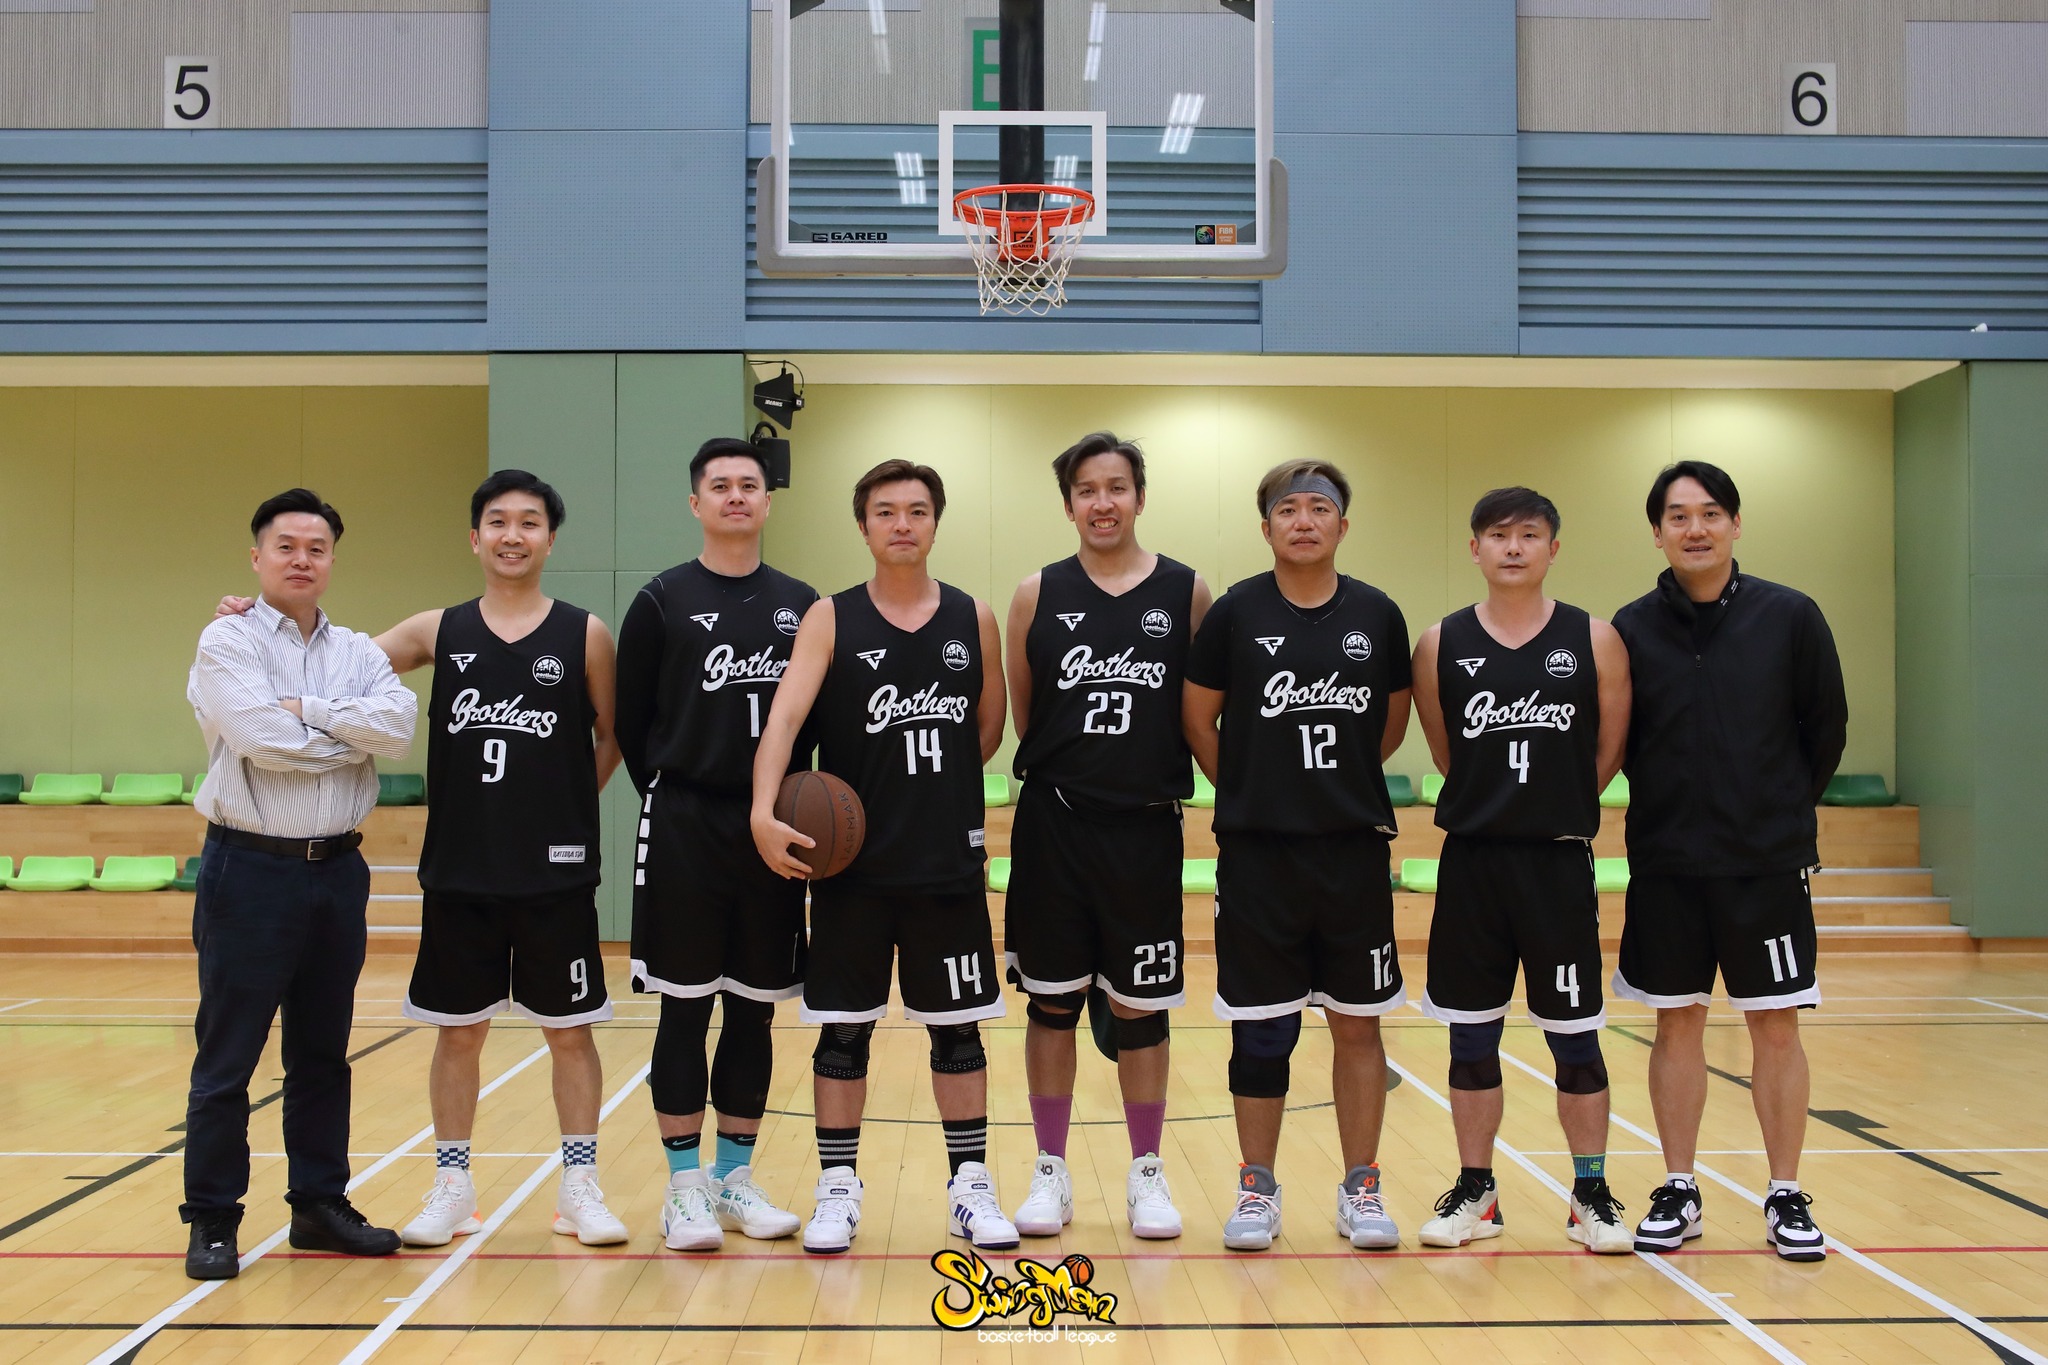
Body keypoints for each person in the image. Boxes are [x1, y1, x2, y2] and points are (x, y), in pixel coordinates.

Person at [225, 473, 627, 1249]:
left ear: (550, 539)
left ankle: (580, 1186)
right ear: (475, 538)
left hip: (556, 871)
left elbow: (610, 734)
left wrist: (569, 801)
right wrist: (258, 618)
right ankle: (453, 1186)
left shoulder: (586, 634)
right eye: (498, 521)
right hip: (461, 868)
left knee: (571, 1032)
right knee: (458, 1032)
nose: (513, 535)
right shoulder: (436, 630)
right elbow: (329, 665)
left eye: (530, 522)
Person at [749, 459, 1015, 1255]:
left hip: (946, 865)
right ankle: (837, 1186)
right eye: (886, 511)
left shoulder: (974, 616)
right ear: (863, 525)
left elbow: (986, 731)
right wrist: (763, 810)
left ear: (936, 521)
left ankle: (970, 1184)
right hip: (852, 873)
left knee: (958, 1032)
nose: (903, 523)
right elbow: (783, 721)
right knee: (842, 1034)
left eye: (918, 510)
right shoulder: (829, 617)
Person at [1610, 460, 1846, 1262]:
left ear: (1736, 524)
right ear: (1657, 532)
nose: (1696, 528)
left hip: (1764, 865)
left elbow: (1826, 726)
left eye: (1711, 513)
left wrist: (1774, 810)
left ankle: (1785, 1193)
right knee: (1676, 1020)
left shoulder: (1791, 616)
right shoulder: (1631, 627)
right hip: (1668, 863)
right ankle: (1679, 1185)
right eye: (1679, 516)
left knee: (1775, 1025)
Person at [182, 489, 418, 1280]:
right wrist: (345, 738)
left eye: (315, 547)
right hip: (248, 869)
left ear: (332, 560)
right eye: (285, 545)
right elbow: (261, 739)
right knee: (229, 1056)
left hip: (338, 872)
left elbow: (398, 726)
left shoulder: (357, 649)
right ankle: (213, 1217)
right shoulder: (228, 638)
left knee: (323, 1054)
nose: (301, 558)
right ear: (258, 556)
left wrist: (308, 710)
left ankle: (319, 1204)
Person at [1182, 459, 1414, 1253]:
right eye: (1289, 509)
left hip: (1351, 852)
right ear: (1267, 526)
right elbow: (1198, 718)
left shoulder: (1378, 614)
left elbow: (1389, 724)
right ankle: (1257, 1188)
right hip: (1259, 857)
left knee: (1358, 1027)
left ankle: (1361, 1186)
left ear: (1343, 525)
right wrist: (1254, 787)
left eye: (1320, 508)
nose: (1304, 520)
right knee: (1261, 1032)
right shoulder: (1235, 612)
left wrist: (1334, 786)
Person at [1411, 487, 1633, 1255]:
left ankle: (1590, 1192)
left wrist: (1551, 805)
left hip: (1558, 864)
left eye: (1529, 534)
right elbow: (1446, 752)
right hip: (1474, 865)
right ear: (1474, 548)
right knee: (1471, 1039)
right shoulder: (1439, 642)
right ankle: (1478, 1190)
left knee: (1576, 1041)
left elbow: (1608, 751)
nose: (1513, 547)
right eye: (1498, 534)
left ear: (1553, 548)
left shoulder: (1595, 638)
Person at [1003, 432, 1211, 1241]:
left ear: (1140, 497)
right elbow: (1031, 714)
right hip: (1056, 824)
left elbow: (1199, 710)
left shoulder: (1187, 592)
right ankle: (1049, 1169)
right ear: (1068, 505)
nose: (1102, 502)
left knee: (1141, 1007)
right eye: (1087, 489)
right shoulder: (1036, 594)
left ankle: (1146, 1170)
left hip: (1146, 826)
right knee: (1052, 1002)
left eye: (1116, 487)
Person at [614, 438, 817, 1252]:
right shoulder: (661, 599)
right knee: (685, 1005)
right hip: (686, 822)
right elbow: (632, 721)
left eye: (749, 484)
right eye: (721, 485)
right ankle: (683, 1189)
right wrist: (680, 790)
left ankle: (734, 1177)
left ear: (768, 501)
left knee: (754, 1009)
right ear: (696, 503)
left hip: (772, 824)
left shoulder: (803, 603)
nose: (736, 495)